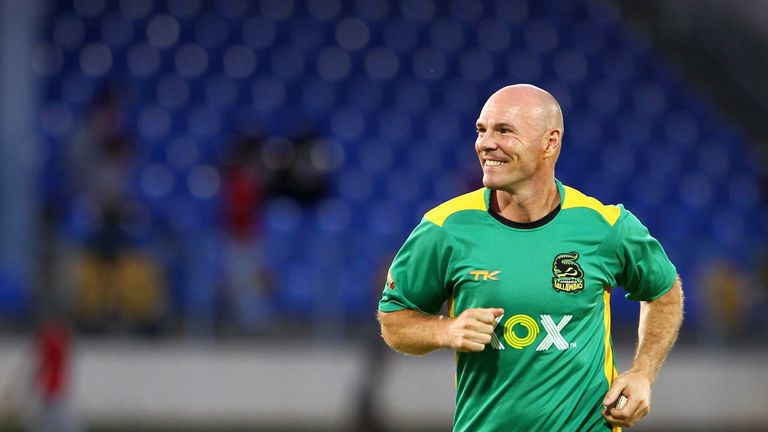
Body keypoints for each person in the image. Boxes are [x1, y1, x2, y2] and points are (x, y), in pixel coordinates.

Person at [377, 84, 684, 431]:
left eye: (504, 131)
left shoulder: (606, 226)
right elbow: (393, 321)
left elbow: (664, 291)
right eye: (482, 130)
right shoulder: (444, 227)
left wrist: (643, 372)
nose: (486, 143)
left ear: (550, 142)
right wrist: (446, 330)